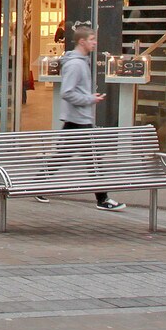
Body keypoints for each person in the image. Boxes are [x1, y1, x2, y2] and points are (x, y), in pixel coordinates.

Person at [51, 23, 125, 212]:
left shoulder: (80, 62)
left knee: (64, 156)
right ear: (82, 42)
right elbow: (67, 92)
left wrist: (89, 99)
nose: (95, 43)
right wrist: (89, 99)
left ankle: (36, 186)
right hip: (79, 120)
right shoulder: (76, 64)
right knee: (94, 160)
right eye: (91, 40)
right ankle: (103, 199)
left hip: (78, 119)